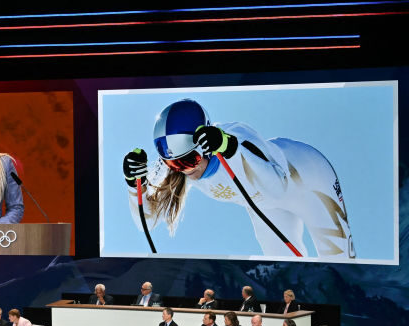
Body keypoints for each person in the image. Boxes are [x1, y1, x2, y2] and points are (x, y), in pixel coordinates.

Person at [121, 98, 354, 259]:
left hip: (308, 180)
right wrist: (134, 185)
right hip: (263, 203)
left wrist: (231, 149)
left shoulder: (237, 135)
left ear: (206, 147)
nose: (184, 170)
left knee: (337, 258)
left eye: (189, 160)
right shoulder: (181, 167)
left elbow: (278, 189)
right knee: (283, 268)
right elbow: (147, 221)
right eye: (173, 163)